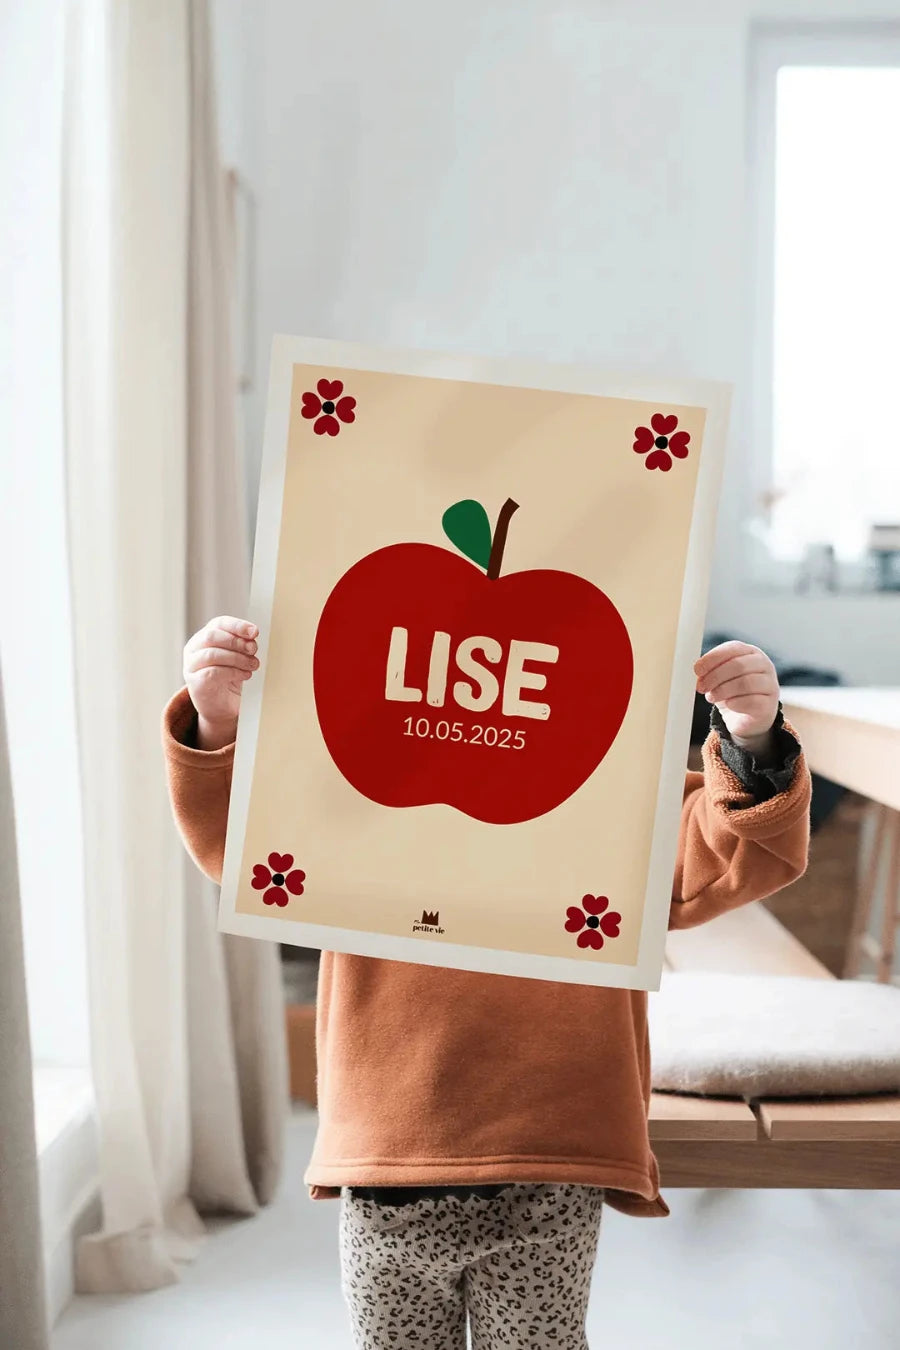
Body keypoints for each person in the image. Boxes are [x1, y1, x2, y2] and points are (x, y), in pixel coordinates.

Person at [163, 620, 810, 1350]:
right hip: (393, 1152)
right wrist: (217, 717)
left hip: (545, 1153)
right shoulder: (357, 778)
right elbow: (246, 852)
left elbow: (730, 858)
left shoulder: (606, 789)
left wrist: (752, 738)